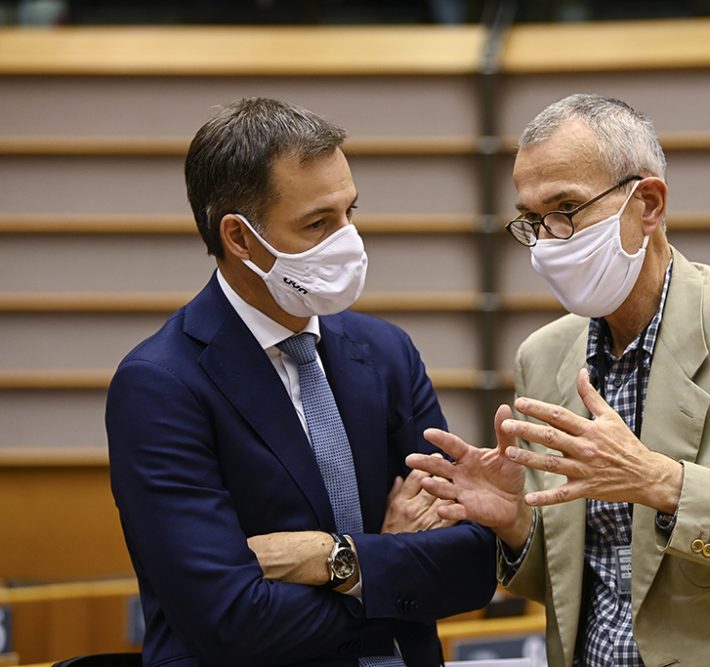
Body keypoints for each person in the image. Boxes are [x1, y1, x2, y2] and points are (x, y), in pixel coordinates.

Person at [407, 93, 710, 666]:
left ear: (650, 203)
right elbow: (589, 579)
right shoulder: (544, 356)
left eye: (566, 208)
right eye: (532, 220)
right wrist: (518, 525)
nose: (547, 241)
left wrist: (662, 483)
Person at [106, 97, 496, 666]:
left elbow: (469, 566)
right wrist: (389, 560)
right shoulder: (159, 386)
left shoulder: (386, 353)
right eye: (318, 223)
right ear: (239, 239)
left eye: (350, 213)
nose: (349, 240)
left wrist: (334, 559)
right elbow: (232, 619)